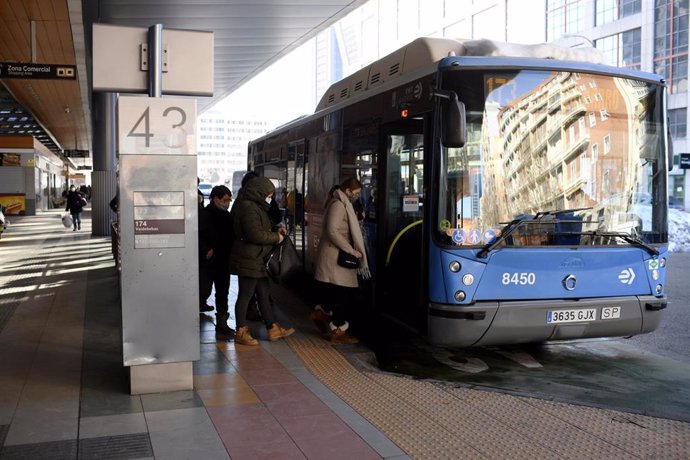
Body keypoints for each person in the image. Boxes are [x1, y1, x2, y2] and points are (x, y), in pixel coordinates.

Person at [229, 176, 294, 345]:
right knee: (245, 295)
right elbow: (254, 234)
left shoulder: (255, 206)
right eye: (268, 194)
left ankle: (272, 328)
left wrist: (275, 229)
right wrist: (276, 237)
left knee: (264, 293)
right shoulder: (248, 208)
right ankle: (241, 331)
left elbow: (259, 228)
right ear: (259, 192)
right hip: (249, 258)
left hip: (256, 258)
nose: (270, 198)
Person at [311, 178, 371, 344]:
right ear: (348, 191)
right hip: (336, 255)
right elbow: (332, 230)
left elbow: (340, 225)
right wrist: (351, 250)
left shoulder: (341, 203)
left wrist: (355, 221)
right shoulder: (338, 204)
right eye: (356, 193)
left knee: (338, 291)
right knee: (343, 293)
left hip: (335, 255)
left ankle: (323, 314)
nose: (357, 197)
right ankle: (337, 328)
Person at [199, 185, 234, 336]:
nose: (228, 203)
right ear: (216, 199)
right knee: (204, 289)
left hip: (223, 261)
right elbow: (197, 236)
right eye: (225, 200)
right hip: (207, 261)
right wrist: (206, 249)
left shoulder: (227, 216)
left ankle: (222, 322)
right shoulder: (203, 215)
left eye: (229, 200)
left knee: (223, 292)